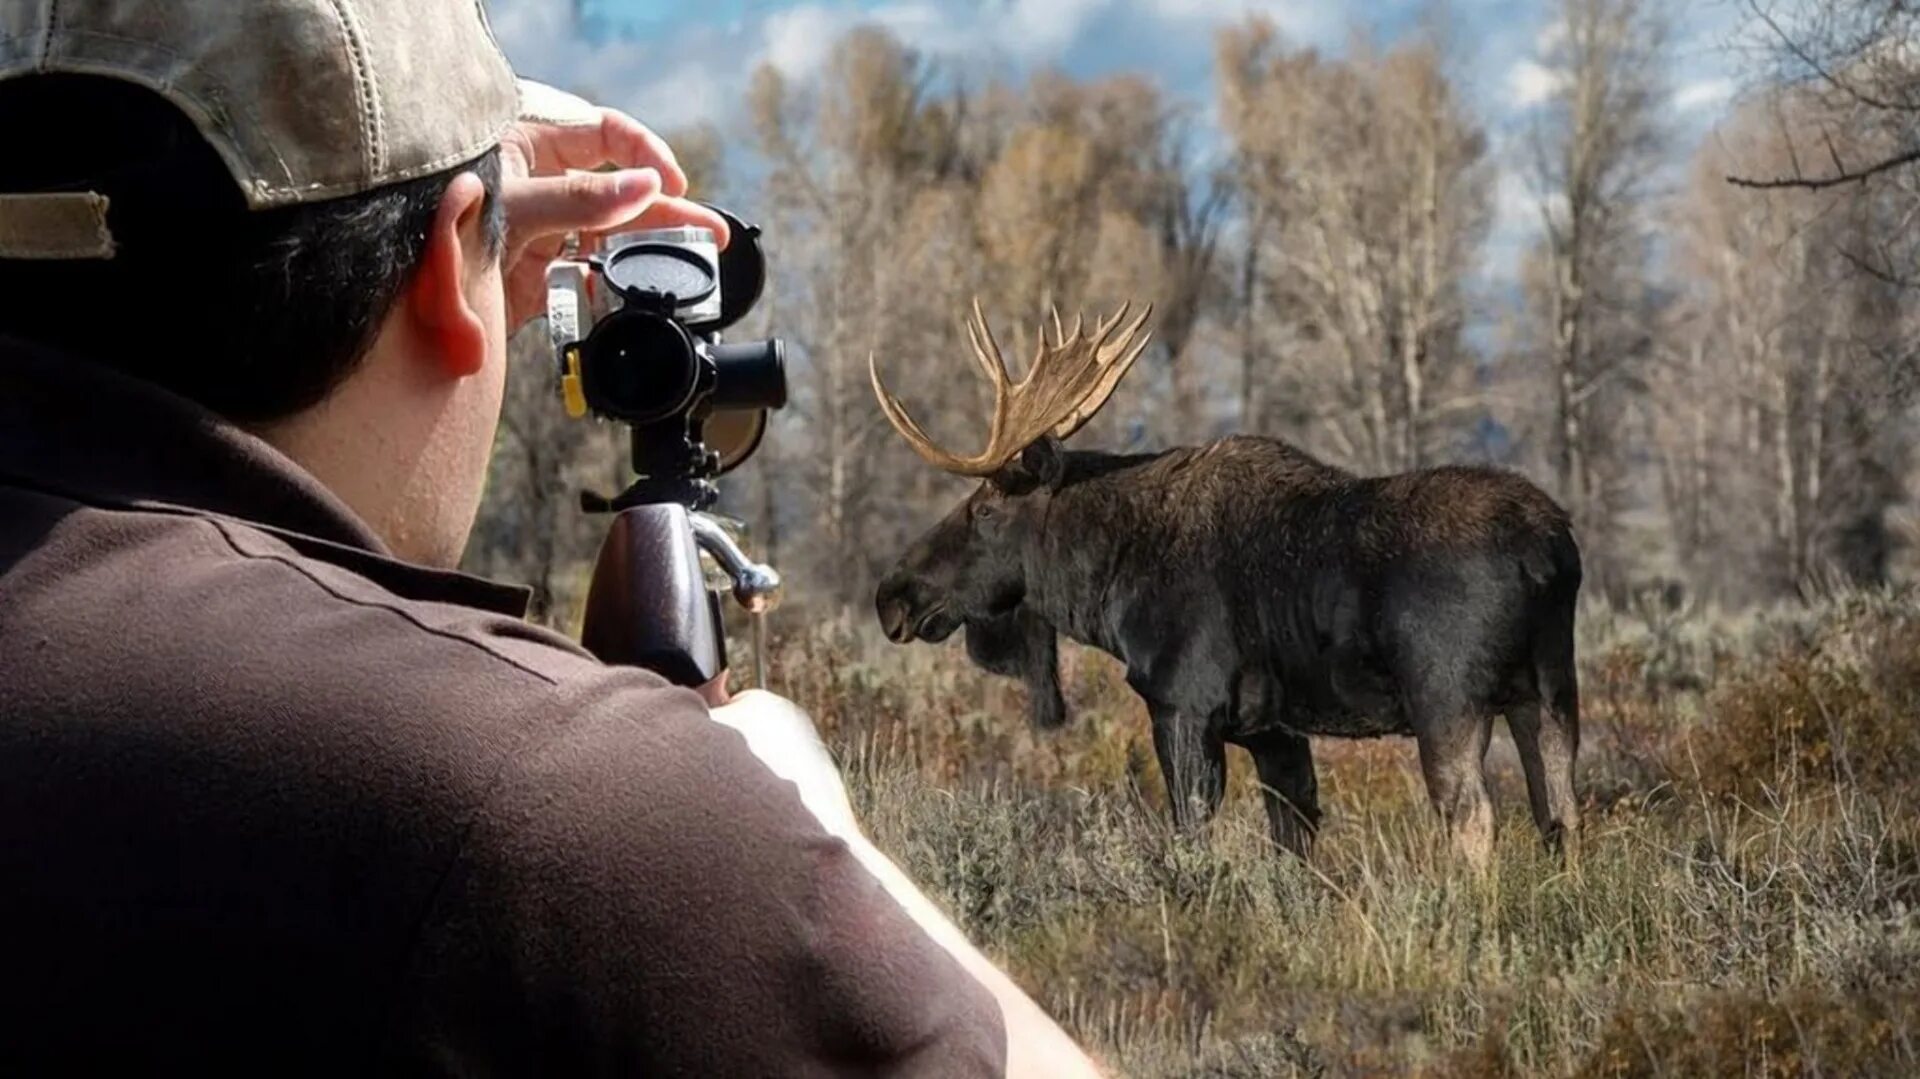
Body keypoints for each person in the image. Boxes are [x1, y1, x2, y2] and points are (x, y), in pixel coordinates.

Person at [0, 1, 1102, 1074]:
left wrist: (453, 226)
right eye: (490, 248)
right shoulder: (538, 808)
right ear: (447, 273)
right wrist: (809, 827)